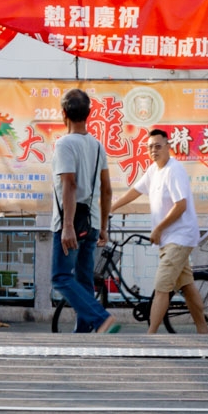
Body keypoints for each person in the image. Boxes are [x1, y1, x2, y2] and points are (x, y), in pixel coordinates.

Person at [114, 128, 208, 334]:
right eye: (150, 147)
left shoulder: (174, 170)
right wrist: (110, 208)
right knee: (186, 285)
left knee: (161, 286)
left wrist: (158, 229)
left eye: (158, 146)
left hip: (180, 237)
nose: (154, 150)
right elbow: (135, 191)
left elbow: (181, 205)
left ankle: (151, 336)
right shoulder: (153, 170)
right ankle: (203, 330)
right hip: (169, 239)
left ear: (168, 147)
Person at [51, 89, 120, 333]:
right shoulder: (98, 146)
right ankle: (83, 333)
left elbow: (69, 184)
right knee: (83, 279)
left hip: (71, 222)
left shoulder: (64, 144)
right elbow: (107, 190)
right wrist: (102, 227)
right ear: (88, 114)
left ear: (63, 114)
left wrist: (67, 225)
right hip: (90, 223)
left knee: (60, 276)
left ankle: (100, 318)